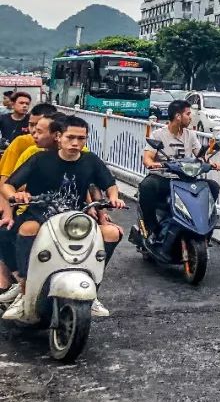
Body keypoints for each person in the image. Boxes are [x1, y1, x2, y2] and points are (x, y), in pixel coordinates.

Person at [1, 115, 126, 321]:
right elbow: (8, 184)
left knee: (111, 233)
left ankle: (93, 289)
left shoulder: (91, 160)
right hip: (40, 215)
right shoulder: (40, 159)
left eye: (81, 138)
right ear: (59, 137)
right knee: (27, 229)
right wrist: (16, 196)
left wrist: (113, 198)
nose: (76, 143)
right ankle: (24, 290)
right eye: (70, 137)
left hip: (76, 220)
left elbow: (110, 185)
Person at [0, 102, 58, 305]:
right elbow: (7, 181)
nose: (33, 132)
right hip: (29, 208)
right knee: (7, 232)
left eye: (38, 128)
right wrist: (7, 211)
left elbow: (87, 184)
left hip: (67, 214)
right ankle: (18, 282)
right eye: (32, 126)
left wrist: (100, 210)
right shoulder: (27, 150)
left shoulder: (79, 153)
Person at [139, 100, 220, 239]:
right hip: (164, 178)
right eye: (188, 114)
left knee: (212, 187)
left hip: (186, 179)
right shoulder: (158, 135)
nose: (190, 117)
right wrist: (151, 164)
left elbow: (201, 156)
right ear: (178, 116)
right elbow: (147, 157)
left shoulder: (190, 135)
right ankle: (151, 227)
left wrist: (212, 164)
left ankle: (204, 225)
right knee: (147, 186)